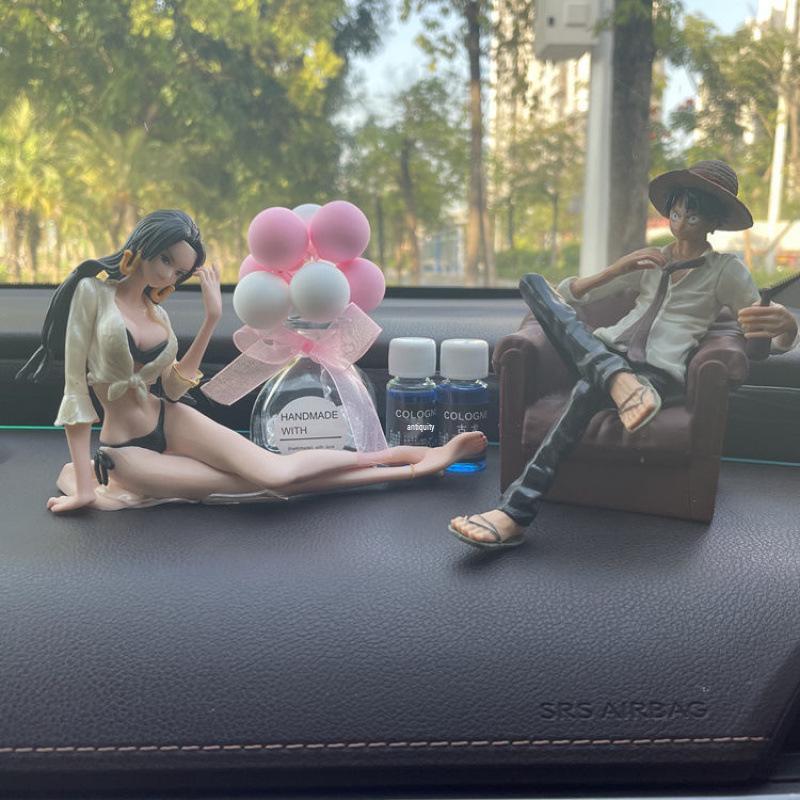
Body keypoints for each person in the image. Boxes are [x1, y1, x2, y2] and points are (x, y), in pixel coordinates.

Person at [18, 209, 486, 513]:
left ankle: (399, 457)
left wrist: (211, 320)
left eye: (179, 271)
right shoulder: (92, 294)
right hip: (126, 450)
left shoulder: (156, 312)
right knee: (259, 488)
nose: (168, 275)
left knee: (273, 468)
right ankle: (413, 470)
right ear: (143, 243)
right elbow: (76, 393)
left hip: (169, 416)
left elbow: (174, 387)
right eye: (165, 260)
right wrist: (84, 487)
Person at [449, 160, 799, 549]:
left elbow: (757, 339)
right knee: (533, 284)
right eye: (676, 213)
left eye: (693, 215)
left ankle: (513, 513)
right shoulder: (649, 259)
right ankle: (616, 378)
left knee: (587, 389)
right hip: (602, 350)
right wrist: (617, 269)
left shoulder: (726, 270)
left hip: (656, 374)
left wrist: (787, 328)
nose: (681, 223)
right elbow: (567, 298)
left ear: (714, 221)